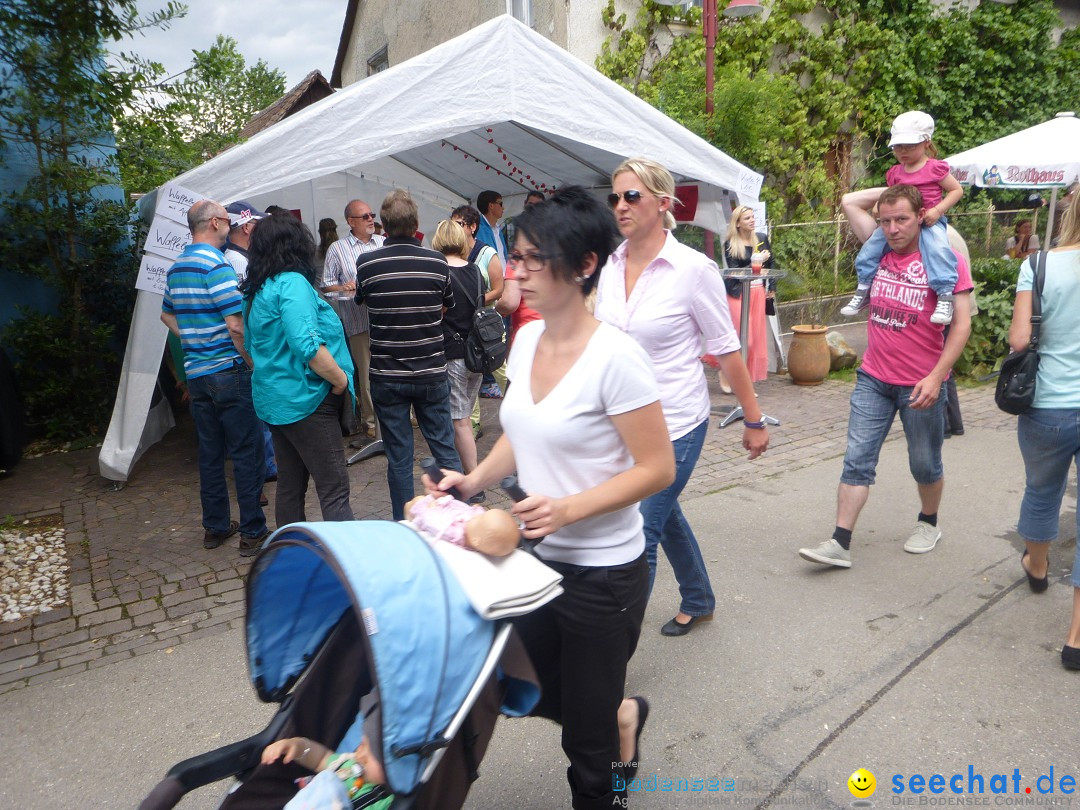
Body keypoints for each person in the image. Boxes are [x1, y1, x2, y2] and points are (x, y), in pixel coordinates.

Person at [425, 186, 676, 809]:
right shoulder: (529, 340)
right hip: (537, 564)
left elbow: (657, 468)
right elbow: (522, 427)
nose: (517, 271)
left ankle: (611, 781)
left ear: (585, 265)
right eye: (517, 256)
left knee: (587, 754)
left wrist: (567, 508)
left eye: (535, 260)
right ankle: (617, 711)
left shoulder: (617, 358)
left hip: (604, 576)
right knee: (528, 687)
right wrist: (475, 480)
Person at [596, 158, 769, 638]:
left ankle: (614, 657)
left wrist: (753, 420)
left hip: (676, 422)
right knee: (664, 513)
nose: (621, 206)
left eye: (632, 196)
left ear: (663, 202)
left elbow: (726, 348)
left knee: (640, 533)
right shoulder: (610, 266)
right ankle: (699, 597)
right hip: (624, 424)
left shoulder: (693, 269)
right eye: (615, 197)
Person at [799, 184, 973, 569]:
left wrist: (937, 376)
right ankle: (839, 541)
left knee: (924, 464)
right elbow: (850, 200)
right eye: (886, 220)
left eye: (902, 219)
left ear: (921, 217)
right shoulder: (878, 250)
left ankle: (929, 521)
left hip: (922, 385)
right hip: (873, 379)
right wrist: (900, 181)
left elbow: (961, 326)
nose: (893, 229)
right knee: (857, 460)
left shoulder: (946, 259)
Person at [160, 200, 268, 555]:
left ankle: (215, 527)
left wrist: (193, 341)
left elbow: (166, 316)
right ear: (216, 222)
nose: (230, 226)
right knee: (245, 452)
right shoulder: (217, 265)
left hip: (197, 375)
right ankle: (252, 531)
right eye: (227, 220)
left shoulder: (176, 269)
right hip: (228, 370)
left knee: (210, 453)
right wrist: (250, 362)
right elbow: (236, 324)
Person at [241, 214, 356, 533]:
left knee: (290, 488)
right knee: (334, 490)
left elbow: (247, 344)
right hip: (306, 402)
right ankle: (350, 566)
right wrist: (341, 380)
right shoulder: (291, 283)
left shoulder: (255, 289)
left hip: (276, 403)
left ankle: (287, 556)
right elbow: (307, 346)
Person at [355, 189, 462, 521]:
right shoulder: (436, 261)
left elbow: (362, 300)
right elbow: (447, 307)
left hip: (387, 376)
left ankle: (405, 524)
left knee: (399, 457)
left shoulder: (367, 263)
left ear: (383, 227)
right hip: (431, 370)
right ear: (416, 224)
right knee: (445, 448)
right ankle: (457, 517)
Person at [1006, 198, 1080, 671]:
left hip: (1047, 404)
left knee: (1041, 490)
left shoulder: (1038, 263)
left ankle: (1036, 566)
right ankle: (1075, 637)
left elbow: (1018, 341)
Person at [841, 111, 964, 325]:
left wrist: (937, 210)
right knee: (870, 247)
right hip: (901, 220)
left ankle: (944, 294)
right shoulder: (896, 172)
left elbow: (956, 191)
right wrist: (880, 206)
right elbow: (893, 194)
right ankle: (863, 288)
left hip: (928, 221)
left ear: (926, 143)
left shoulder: (935, 168)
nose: (903, 151)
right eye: (898, 147)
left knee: (939, 250)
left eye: (909, 146)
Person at [223, 200, 277, 489]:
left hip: (242, 353)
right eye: (257, 224)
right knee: (254, 420)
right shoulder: (238, 262)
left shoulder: (237, 258)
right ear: (246, 227)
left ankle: (267, 465)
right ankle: (265, 469)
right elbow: (242, 318)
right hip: (243, 354)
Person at [321, 200, 384, 438]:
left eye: (372, 215)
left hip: (387, 319)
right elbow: (326, 286)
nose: (370, 220)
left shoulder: (383, 242)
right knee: (367, 373)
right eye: (365, 216)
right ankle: (371, 421)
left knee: (393, 367)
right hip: (359, 321)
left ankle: (403, 415)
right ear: (351, 222)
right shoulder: (338, 248)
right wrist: (345, 286)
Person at [432, 219, 485, 487]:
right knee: (465, 415)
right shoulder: (476, 271)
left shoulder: (440, 273)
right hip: (477, 353)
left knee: (460, 421)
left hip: (453, 354)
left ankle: (472, 483)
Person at [261, 735, 391, 809]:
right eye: (363, 744)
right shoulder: (349, 765)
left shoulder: (387, 802)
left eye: (375, 756)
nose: (360, 754)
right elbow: (321, 758)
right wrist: (298, 746)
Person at [722, 204, 774, 384]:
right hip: (738, 293)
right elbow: (734, 272)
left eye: (753, 217)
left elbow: (771, 265)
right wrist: (757, 261)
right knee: (745, 339)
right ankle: (727, 372)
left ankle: (745, 381)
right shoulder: (730, 244)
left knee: (756, 341)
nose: (752, 220)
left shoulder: (761, 238)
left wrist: (771, 287)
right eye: (747, 218)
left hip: (758, 292)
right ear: (737, 223)